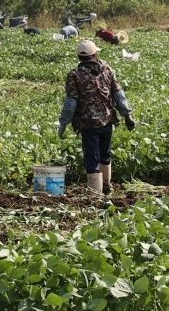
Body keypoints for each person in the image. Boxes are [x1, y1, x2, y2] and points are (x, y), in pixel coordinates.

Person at [57, 39, 135, 195]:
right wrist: (127, 115)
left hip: (88, 123)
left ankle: (95, 195)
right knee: (105, 154)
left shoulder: (75, 75)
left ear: (80, 57)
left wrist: (64, 123)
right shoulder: (107, 70)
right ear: (95, 54)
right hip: (107, 120)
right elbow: (118, 94)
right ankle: (106, 186)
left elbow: (71, 102)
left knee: (92, 158)